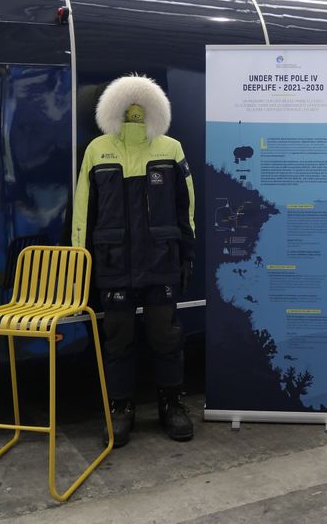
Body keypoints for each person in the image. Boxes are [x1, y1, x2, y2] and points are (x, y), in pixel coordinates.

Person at [72, 74, 196, 447]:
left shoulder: (171, 149)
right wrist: (80, 263)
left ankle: (171, 403)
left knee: (165, 335)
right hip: (114, 262)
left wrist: (187, 254)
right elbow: (82, 212)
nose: (135, 114)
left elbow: (186, 208)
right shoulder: (97, 151)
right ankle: (120, 407)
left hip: (161, 259)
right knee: (117, 337)